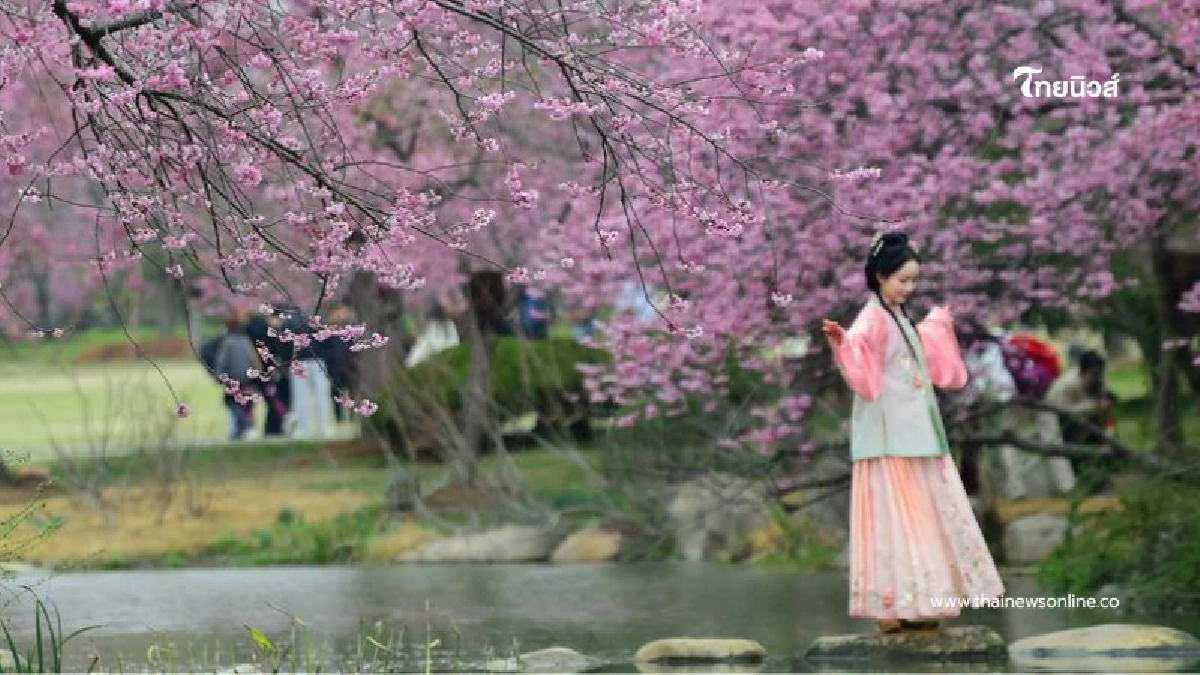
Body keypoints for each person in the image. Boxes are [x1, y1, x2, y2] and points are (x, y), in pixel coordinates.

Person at [821, 231, 1005, 635]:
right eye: (902, 280)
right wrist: (843, 343)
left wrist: (936, 327)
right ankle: (898, 604)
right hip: (889, 437)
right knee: (897, 518)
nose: (909, 287)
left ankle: (917, 600)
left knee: (917, 515)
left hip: (914, 430)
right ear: (880, 277)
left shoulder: (897, 315)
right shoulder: (872, 317)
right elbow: (864, 369)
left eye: (913, 280)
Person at [1038, 349, 1116, 493]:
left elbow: (1106, 416)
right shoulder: (1069, 385)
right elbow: (1065, 411)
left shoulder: (1098, 384)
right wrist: (1094, 406)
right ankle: (1068, 489)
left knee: (1097, 443)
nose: (1096, 378)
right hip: (1052, 413)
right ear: (1083, 372)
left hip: (1079, 415)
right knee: (1059, 451)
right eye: (1093, 374)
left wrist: (1108, 437)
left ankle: (1099, 480)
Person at [212, 311, 262, 440]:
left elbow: (222, 361)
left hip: (233, 380)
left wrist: (218, 376)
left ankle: (240, 427)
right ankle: (249, 427)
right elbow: (254, 359)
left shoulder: (227, 342)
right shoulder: (246, 340)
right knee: (248, 404)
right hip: (247, 378)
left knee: (231, 403)